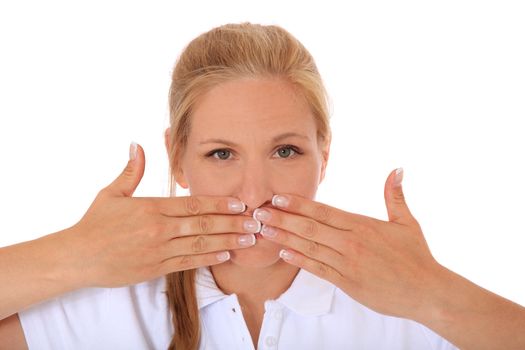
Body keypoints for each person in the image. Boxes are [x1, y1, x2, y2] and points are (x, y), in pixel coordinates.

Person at [0, 22, 524, 350]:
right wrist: (73, 255)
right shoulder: (108, 302)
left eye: (286, 151)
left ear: (325, 156)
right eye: (221, 154)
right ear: (176, 158)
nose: (254, 194)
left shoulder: (406, 308)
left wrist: (432, 292)